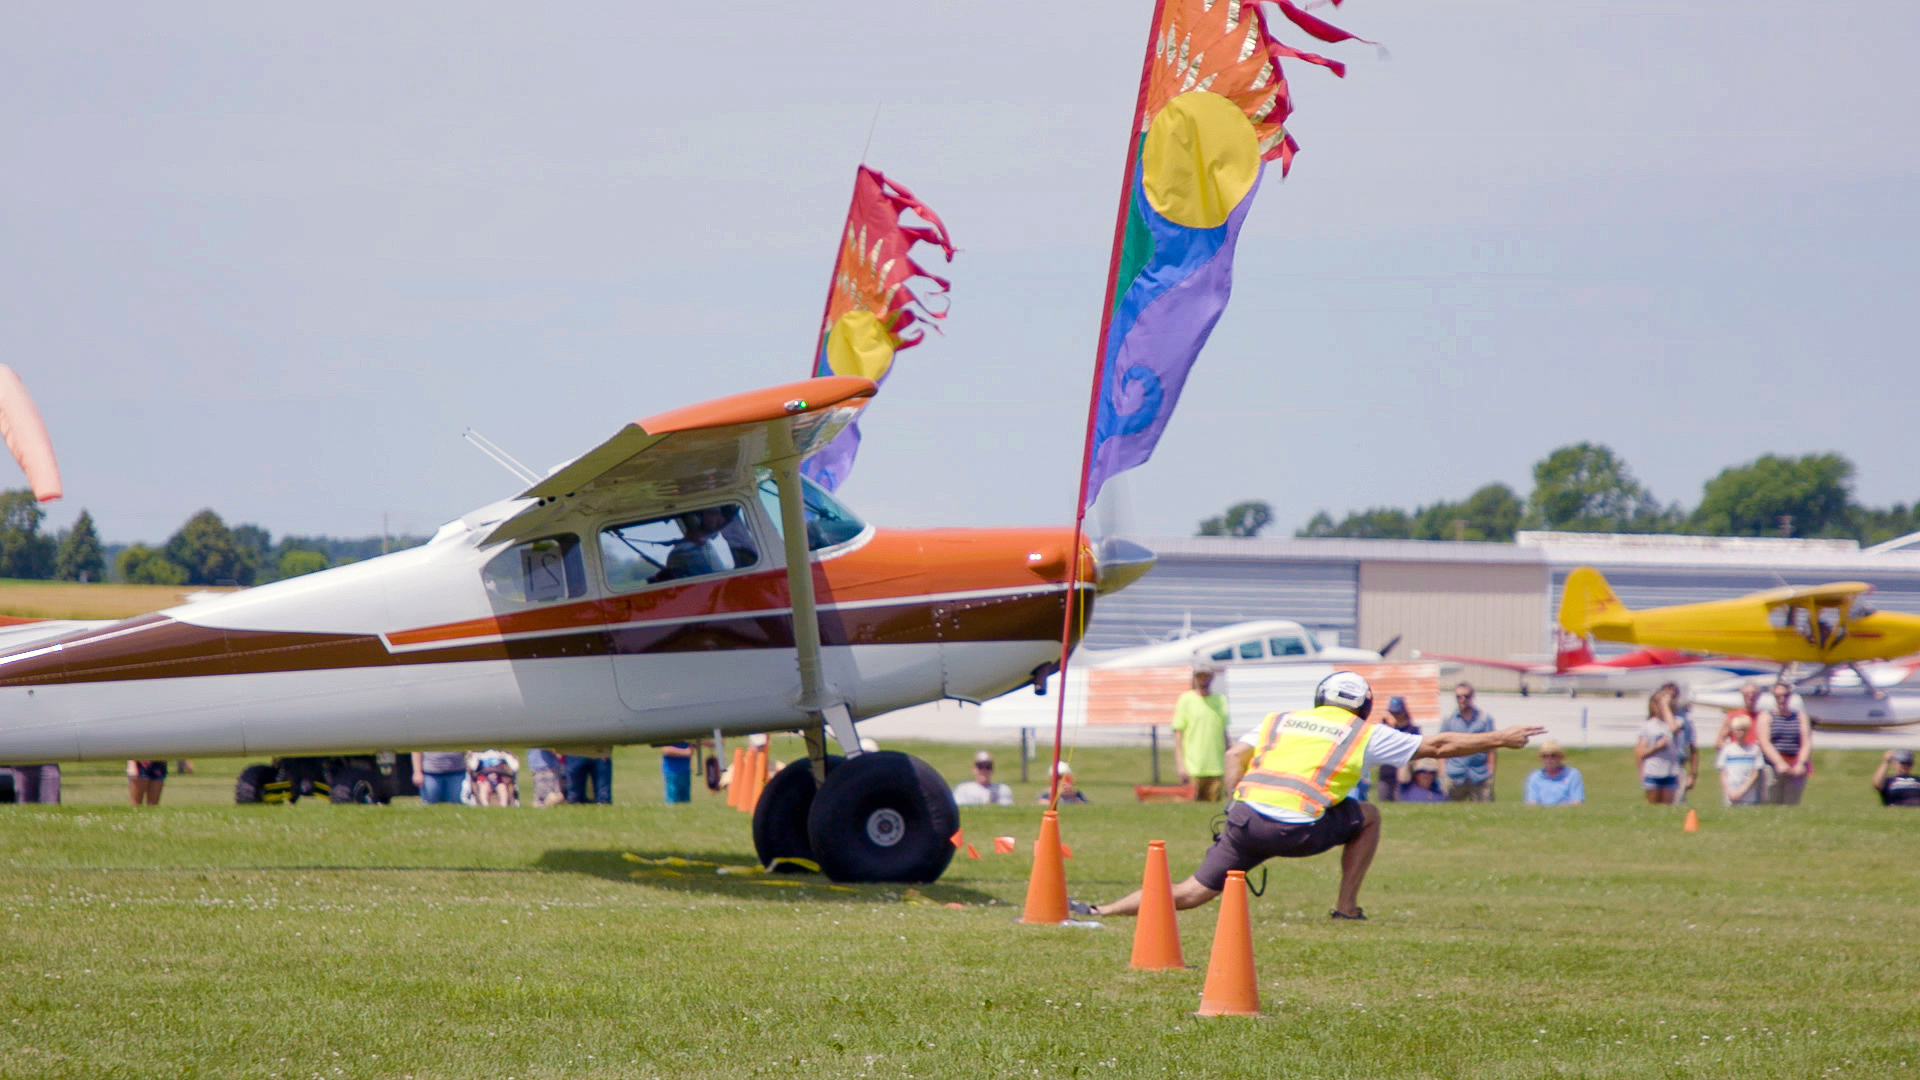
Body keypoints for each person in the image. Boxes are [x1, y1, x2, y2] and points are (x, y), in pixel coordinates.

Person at [1075, 672, 1545, 921]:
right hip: (1296, 829)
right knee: (1372, 814)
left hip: (1244, 819)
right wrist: (1500, 738)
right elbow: (1439, 746)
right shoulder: (1361, 732)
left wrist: (1236, 798)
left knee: (1193, 891)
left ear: (1319, 698)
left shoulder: (1279, 718)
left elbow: (1236, 753)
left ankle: (1099, 910)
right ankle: (1346, 907)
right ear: (1362, 706)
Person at [1170, 666, 1231, 801]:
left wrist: (1230, 760)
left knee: (1212, 806)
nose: (1203, 680)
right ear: (1194, 678)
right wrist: (1181, 765)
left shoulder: (1220, 700)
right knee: (1189, 804)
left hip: (1216, 767)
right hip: (1193, 767)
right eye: (1199, 676)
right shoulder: (1186, 700)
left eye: (1206, 676)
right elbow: (1178, 734)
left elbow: (1224, 732)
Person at [1441, 682, 1498, 801]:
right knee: (1449, 813)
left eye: (1466, 696)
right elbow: (1441, 746)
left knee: (1485, 814)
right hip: (1455, 774)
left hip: (1479, 774)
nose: (1462, 699)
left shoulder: (1484, 719)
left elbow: (1491, 748)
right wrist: (1443, 772)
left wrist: (1490, 772)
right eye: (1458, 696)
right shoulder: (1449, 720)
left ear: (1472, 697)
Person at [1759, 681, 1812, 805]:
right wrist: (1779, 763)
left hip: (1795, 764)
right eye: (1778, 696)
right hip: (1773, 766)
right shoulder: (1766, 716)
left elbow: (1806, 742)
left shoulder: (1800, 717)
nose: (1781, 699)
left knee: (1792, 803)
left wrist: (1800, 763)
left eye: (1785, 695)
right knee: (1771, 802)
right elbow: (1765, 742)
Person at [1635, 686, 1687, 805]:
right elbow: (1640, 751)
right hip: (1653, 770)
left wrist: (1665, 706)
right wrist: (1656, 747)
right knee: (1653, 806)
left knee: (1668, 807)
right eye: (1656, 703)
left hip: (1671, 771)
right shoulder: (1648, 725)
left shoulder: (1678, 720)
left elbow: (1673, 728)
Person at [1376, 697, 1421, 802]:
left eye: (1398, 713)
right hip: (1386, 773)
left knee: (1401, 802)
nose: (1395, 716)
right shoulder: (1385, 729)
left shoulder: (1413, 730)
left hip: (1403, 775)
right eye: (1393, 713)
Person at [1715, 715, 1764, 806]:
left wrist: (1742, 791)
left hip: (1749, 796)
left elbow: (1755, 773)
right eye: (1737, 729)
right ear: (1733, 731)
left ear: (1747, 730)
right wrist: (1729, 792)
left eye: (1743, 729)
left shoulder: (1754, 750)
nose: (1740, 733)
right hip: (1730, 794)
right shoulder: (1727, 750)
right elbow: (1722, 773)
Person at [1523, 741, 1585, 806]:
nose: (1549, 759)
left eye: (1553, 755)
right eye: (1545, 756)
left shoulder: (1572, 774)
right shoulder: (1535, 777)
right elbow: (1532, 803)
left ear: (1560, 757)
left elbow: (1578, 802)